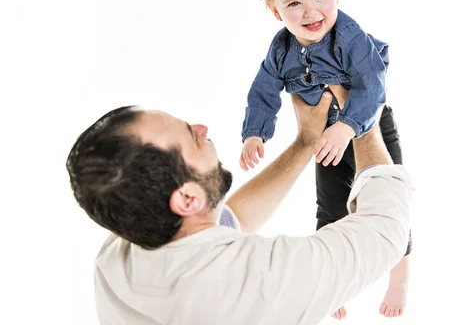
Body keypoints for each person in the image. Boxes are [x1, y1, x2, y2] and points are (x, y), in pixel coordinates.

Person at [66, 92, 413, 324]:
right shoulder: (260, 280)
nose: (202, 128)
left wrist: (306, 142)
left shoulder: (119, 252)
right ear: (187, 198)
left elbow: (226, 222)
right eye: (191, 136)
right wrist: (361, 121)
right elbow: (384, 230)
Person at [239, 0, 412, 319]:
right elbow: (264, 88)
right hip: (323, 136)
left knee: (387, 201)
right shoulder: (281, 49)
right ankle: (334, 284)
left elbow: (372, 87)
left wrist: (349, 125)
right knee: (330, 209)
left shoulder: (350, 37)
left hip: (369, 123)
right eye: (294, 3)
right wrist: (255, 132)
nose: (311, 11)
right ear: (275, 9)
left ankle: (398, 278)